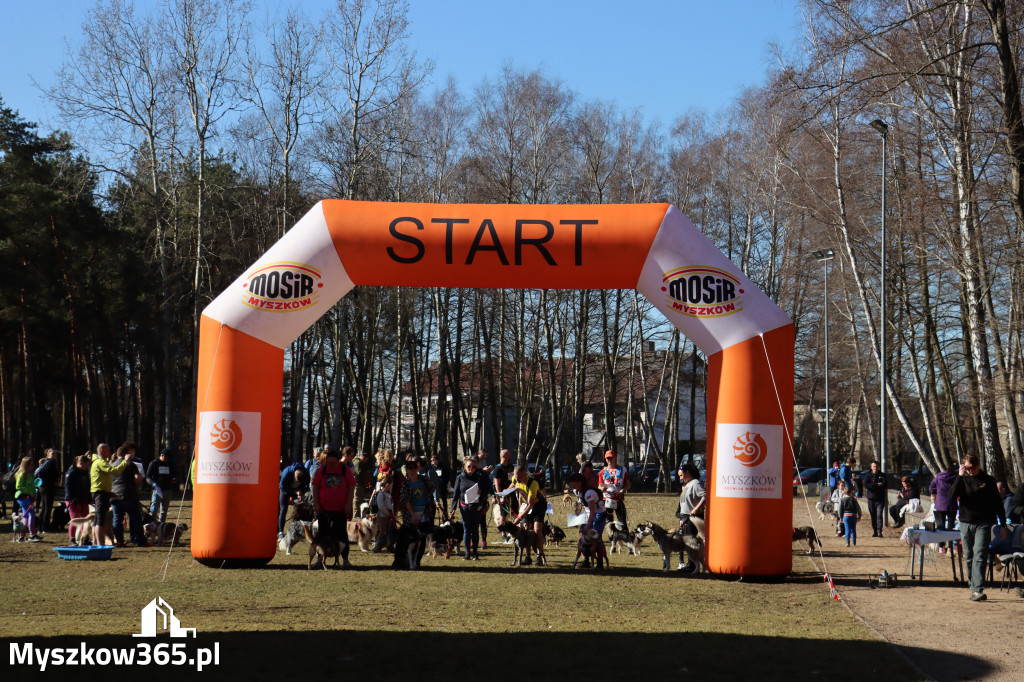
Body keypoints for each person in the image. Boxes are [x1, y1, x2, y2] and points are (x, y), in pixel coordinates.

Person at [946, 454, 1006, 601]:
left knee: (980, 554)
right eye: (968, 468)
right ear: (963, 467)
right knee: (969, 556)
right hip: (966, 522)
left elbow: (998, 503)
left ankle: (977, 589)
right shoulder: (962, 480)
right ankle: (972, 585)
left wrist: (1002, 524)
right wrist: (959, 476)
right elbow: (951, 497)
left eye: (973, 468)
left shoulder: (988, 480)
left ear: (978, 465)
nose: (971, 471)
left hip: (984, 522)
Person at [311, 446, 354, 567]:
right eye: (329, 463)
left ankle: (345, 559)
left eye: (333, 463)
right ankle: (320, 559)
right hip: (324, 509)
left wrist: (348, 504)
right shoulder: (322, 470)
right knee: (322, 535)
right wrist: (316, 503)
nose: (331, 465)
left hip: (340, 509)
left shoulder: (345, 470)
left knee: (342, 535)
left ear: (338, 460)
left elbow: (351, 487)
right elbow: (315, 487)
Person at [90, 443, 133, 546]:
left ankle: (96, 542)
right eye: (108, 450)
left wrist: (108, 492)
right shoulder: (100, 462)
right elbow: (115, 471)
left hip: (102, 493)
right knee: (100, 520)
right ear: (101, 451)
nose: (109, 452)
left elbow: (101, 479)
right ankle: (99, 543)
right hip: (100, 494)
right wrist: (125, 461)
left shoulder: (98, 462)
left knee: (97, 519)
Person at [450, 456, 491, 560]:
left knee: (475, 529)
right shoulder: (460, 477)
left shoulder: (480, 477)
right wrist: (453, 509)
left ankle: (475, 553)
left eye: (473, 467)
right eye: (469, 466)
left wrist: (483, 498)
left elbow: (486, 491)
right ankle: (467, 553)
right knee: (467, 529)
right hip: (464, 507)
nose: (471, 468)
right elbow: (455, 495)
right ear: (464, 467)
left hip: (476, 506)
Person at [111, 442, 149, 547]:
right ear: (126, 454)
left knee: (117, 519)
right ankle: (140, 540)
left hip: (115, 495)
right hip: (129, 494)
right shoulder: (130, 464)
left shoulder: (111, 465)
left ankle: (119, 540)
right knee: (136, 518)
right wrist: (136, 485)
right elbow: (138, 478)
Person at [567, 472, 608, 568]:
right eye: (571, 482)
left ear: (580, 482)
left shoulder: (589, 493)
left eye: (574, 482)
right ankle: (585, 561)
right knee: (582, 536)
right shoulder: (578, 491)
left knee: (596, 538)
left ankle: (600, 562)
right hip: (588, 514)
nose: (571, 484)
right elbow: (580, 501)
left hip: (599, 514)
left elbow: (593, 511)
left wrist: (589, 526)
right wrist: (578, 509)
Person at [510, 465, 547, 565]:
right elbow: (513, 488)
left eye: (518, 477)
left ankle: (539, 557)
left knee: (537, 529)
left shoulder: (532, 484)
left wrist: (519, 517)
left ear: (525, 475)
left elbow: (531, 505)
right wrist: (503, 493)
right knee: (526, 528)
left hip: (538, 505)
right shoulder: (515, 479)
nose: (516, 479)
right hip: (525, 505)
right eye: (515, 477)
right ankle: (528, 557)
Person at [676, 463, 706, 571]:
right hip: (685, 518)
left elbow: (705, 496)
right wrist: (681, 519)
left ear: (687, 473)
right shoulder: (687, 484)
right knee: (687, 541)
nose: (680, 478)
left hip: (693, 518)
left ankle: (693, 565)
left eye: (681, 475)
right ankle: (691, 564)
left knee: (692, 542)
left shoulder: (695, 483)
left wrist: (696, 509)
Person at [64, 454, 92, 544]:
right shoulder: (71, 472)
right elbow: (67, 486)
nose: (87, 467)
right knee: (74, 520)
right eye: (86, 465)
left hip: (84, 498)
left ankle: (85, 538)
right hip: (73, 500)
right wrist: (71, 498)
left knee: (85, 519)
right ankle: (72, 539)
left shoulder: (85, 472)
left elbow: (88, 485)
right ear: (80, 463)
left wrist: (89, 497)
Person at [277, 460, 309, 537]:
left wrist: (301, 492)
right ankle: (281, 532)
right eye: (297, 481)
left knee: (302, 508)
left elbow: (307, 487)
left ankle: (301, 531)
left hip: (298, 491)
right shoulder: (286, 472)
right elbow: (282, 486)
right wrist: (294, 491)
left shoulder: (306, 473)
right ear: (294, 476)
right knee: (283, 509)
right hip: (285, 490)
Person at [146, 448, 178, 524]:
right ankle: (151, 524)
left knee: (164, 510)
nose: (166, 459)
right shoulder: (154, 463)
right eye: (165, 457)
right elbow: (147, 476)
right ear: (161, 455)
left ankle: (161, 525)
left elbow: (174, 474)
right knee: (154, 509)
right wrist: (152, 483)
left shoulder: (170, 464)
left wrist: (174, 479)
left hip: (168, 490)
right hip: (157, 490)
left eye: (168, 458)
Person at [599, 450, 631, 526]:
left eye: (611, 458)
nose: (609, 460)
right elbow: (599, 485)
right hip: (607, 500)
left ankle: (624, 536)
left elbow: (628, 484)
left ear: (615, 458)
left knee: (622, 522)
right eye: (607, 458)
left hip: (618, 499)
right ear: (605, 459)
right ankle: (612, 537)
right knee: (609, 524)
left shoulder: (622, 470)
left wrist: (623, 490)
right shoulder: (603, 471)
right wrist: (601, 489)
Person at [34, 448, 61, 532]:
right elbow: (53, 474)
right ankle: (45, 527)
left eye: (56, 453)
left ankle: (40, 528)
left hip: (42, 487)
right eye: (53, 453)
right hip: (48, 487)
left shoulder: (44, 463)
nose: (55, 455)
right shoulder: (51, 463)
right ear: (48, 454)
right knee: (47, 508)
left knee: (44, 508)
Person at [14, 456, 40, 541]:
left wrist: (34, 495)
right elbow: (19, 486)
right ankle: (32, 534)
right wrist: (30, 493)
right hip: (23, 497)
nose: (32, 465)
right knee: (31, 513)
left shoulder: (30, 474)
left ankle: (22, 534)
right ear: (26, 464)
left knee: (25, 515)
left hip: (29, 497)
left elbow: (32, 486)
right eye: (31, 464)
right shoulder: (22, 474)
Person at [491, 449, 515, 542]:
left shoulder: (511, 466)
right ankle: (503, 533)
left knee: (513, 512)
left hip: (511, 492)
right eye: (509, 455)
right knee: (503, 514)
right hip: (502, 494)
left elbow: (513, 479)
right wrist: (501, 496)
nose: (510, 456)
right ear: (504, 456)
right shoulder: (498, 469)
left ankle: (512, 531)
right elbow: (497, 484)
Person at [401, 458, 435, 525]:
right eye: (410, 468)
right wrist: (413, 515)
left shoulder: (424, 479)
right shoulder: (405, 484)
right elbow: (405, 501)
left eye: (415, 468)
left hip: (425, 512)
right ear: (407, 470)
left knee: (426, 533)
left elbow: (432, 489)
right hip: (411, 514)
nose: (413, 470)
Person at [862, 461, 887, 537]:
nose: (875, 468)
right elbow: (867, 485)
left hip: (880, 499)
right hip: (871, 499)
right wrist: (876, 485)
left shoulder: (882, 475)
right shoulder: (868, 475)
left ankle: (880, 531)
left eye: (876, 466)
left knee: (879, 515)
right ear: (871, 467)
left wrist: (876, 485)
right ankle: (875, 531)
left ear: (879, 467)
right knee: (873, 515)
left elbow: (884, 485)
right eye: (874, 466)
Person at [370, 476, 395, 552]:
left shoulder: (388, 495)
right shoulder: (381, 494)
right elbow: (381, 506)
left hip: (389, 516)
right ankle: (377, 546)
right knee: (382, 531)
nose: (391, 487)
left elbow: (390, 505)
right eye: (391, 485)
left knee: (389, 531)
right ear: (387, 484)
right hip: (382, 517)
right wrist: (388, 514)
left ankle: (389, 546)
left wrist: (392, 515)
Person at [353, 450, 375, 517]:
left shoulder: (355, 461)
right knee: (357, 501)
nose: (366, 462)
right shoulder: (359, 462)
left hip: (358, 484)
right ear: (363, 457)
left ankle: (357, 515)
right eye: (366, 460)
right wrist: (366, 472)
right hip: (358, 484)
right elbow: (359, 473)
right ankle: (356, 515)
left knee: (358, 500)